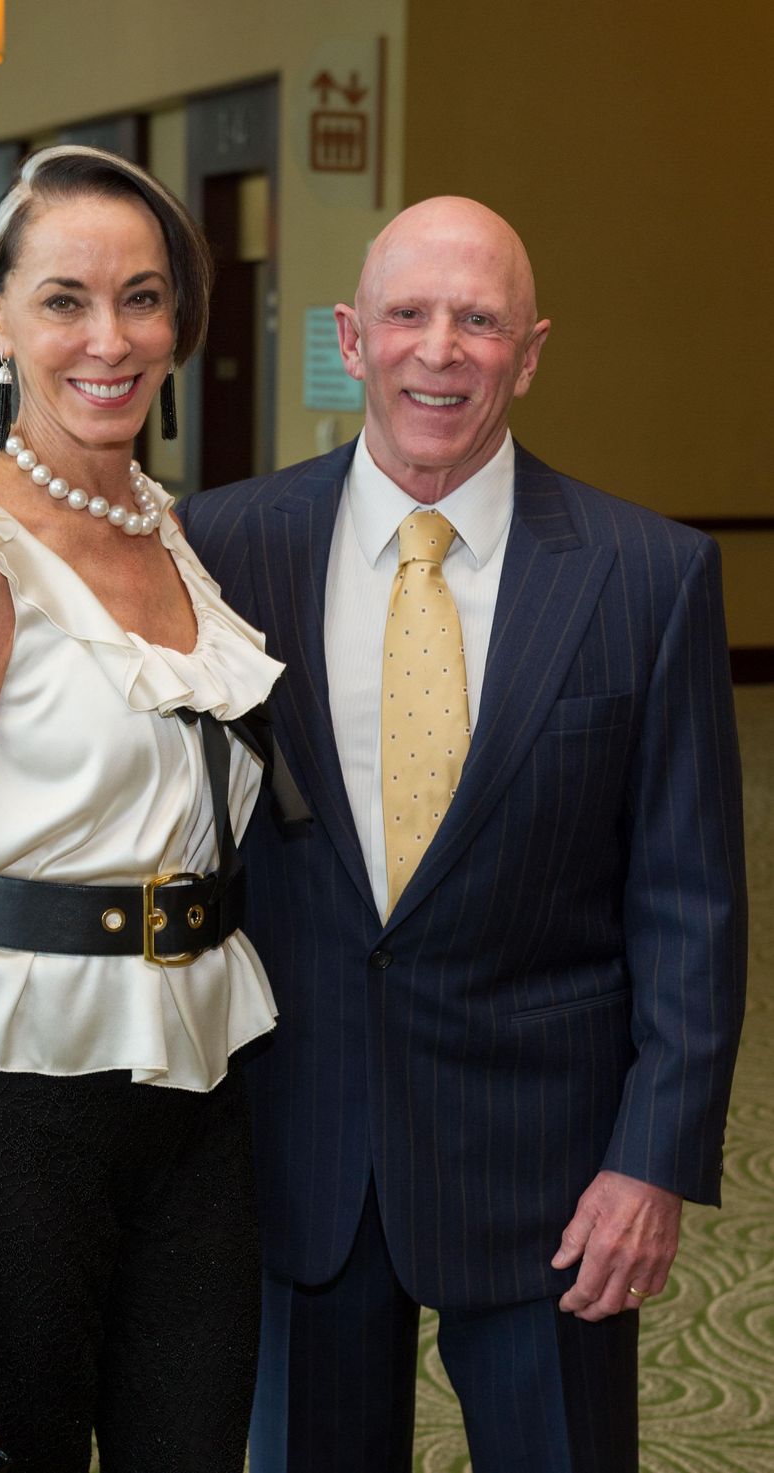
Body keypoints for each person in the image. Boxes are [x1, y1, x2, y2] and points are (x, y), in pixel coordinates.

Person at [180, 196, 747, 1473]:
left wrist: (649, 1163)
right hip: (299, 1151)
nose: (440, 349)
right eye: (407, 315)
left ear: (529, 352)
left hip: (550, 1173)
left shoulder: (644, 577)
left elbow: (689, 905)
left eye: (478, 321)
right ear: (351, 338)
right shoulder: (222, 548)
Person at [0, 144, 284, 1473]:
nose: (111, 338)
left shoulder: (161, 522)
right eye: (65, 299)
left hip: (201, 1084)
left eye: (144, 299)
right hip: (16, 1100)